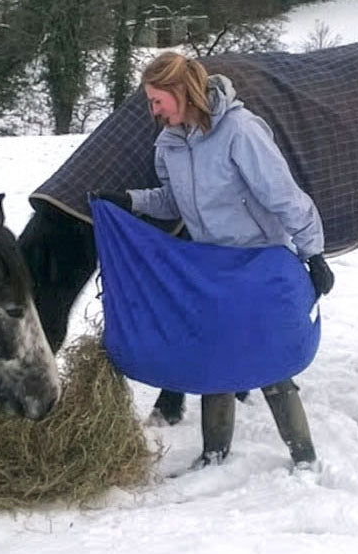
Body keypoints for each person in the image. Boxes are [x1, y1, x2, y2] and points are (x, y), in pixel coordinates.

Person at [93, 51, 334, 470]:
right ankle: (214, 454)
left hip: (259, 261)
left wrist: (313, 253)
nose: (154, 111)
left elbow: (284, 196)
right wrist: (129, 201)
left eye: (157, 101)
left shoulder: (240, 131)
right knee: (214, 358)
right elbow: (173, 201)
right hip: (211, 265)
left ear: (179, 91)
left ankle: (304, 455)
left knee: (269, 359)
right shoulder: (168, 143)